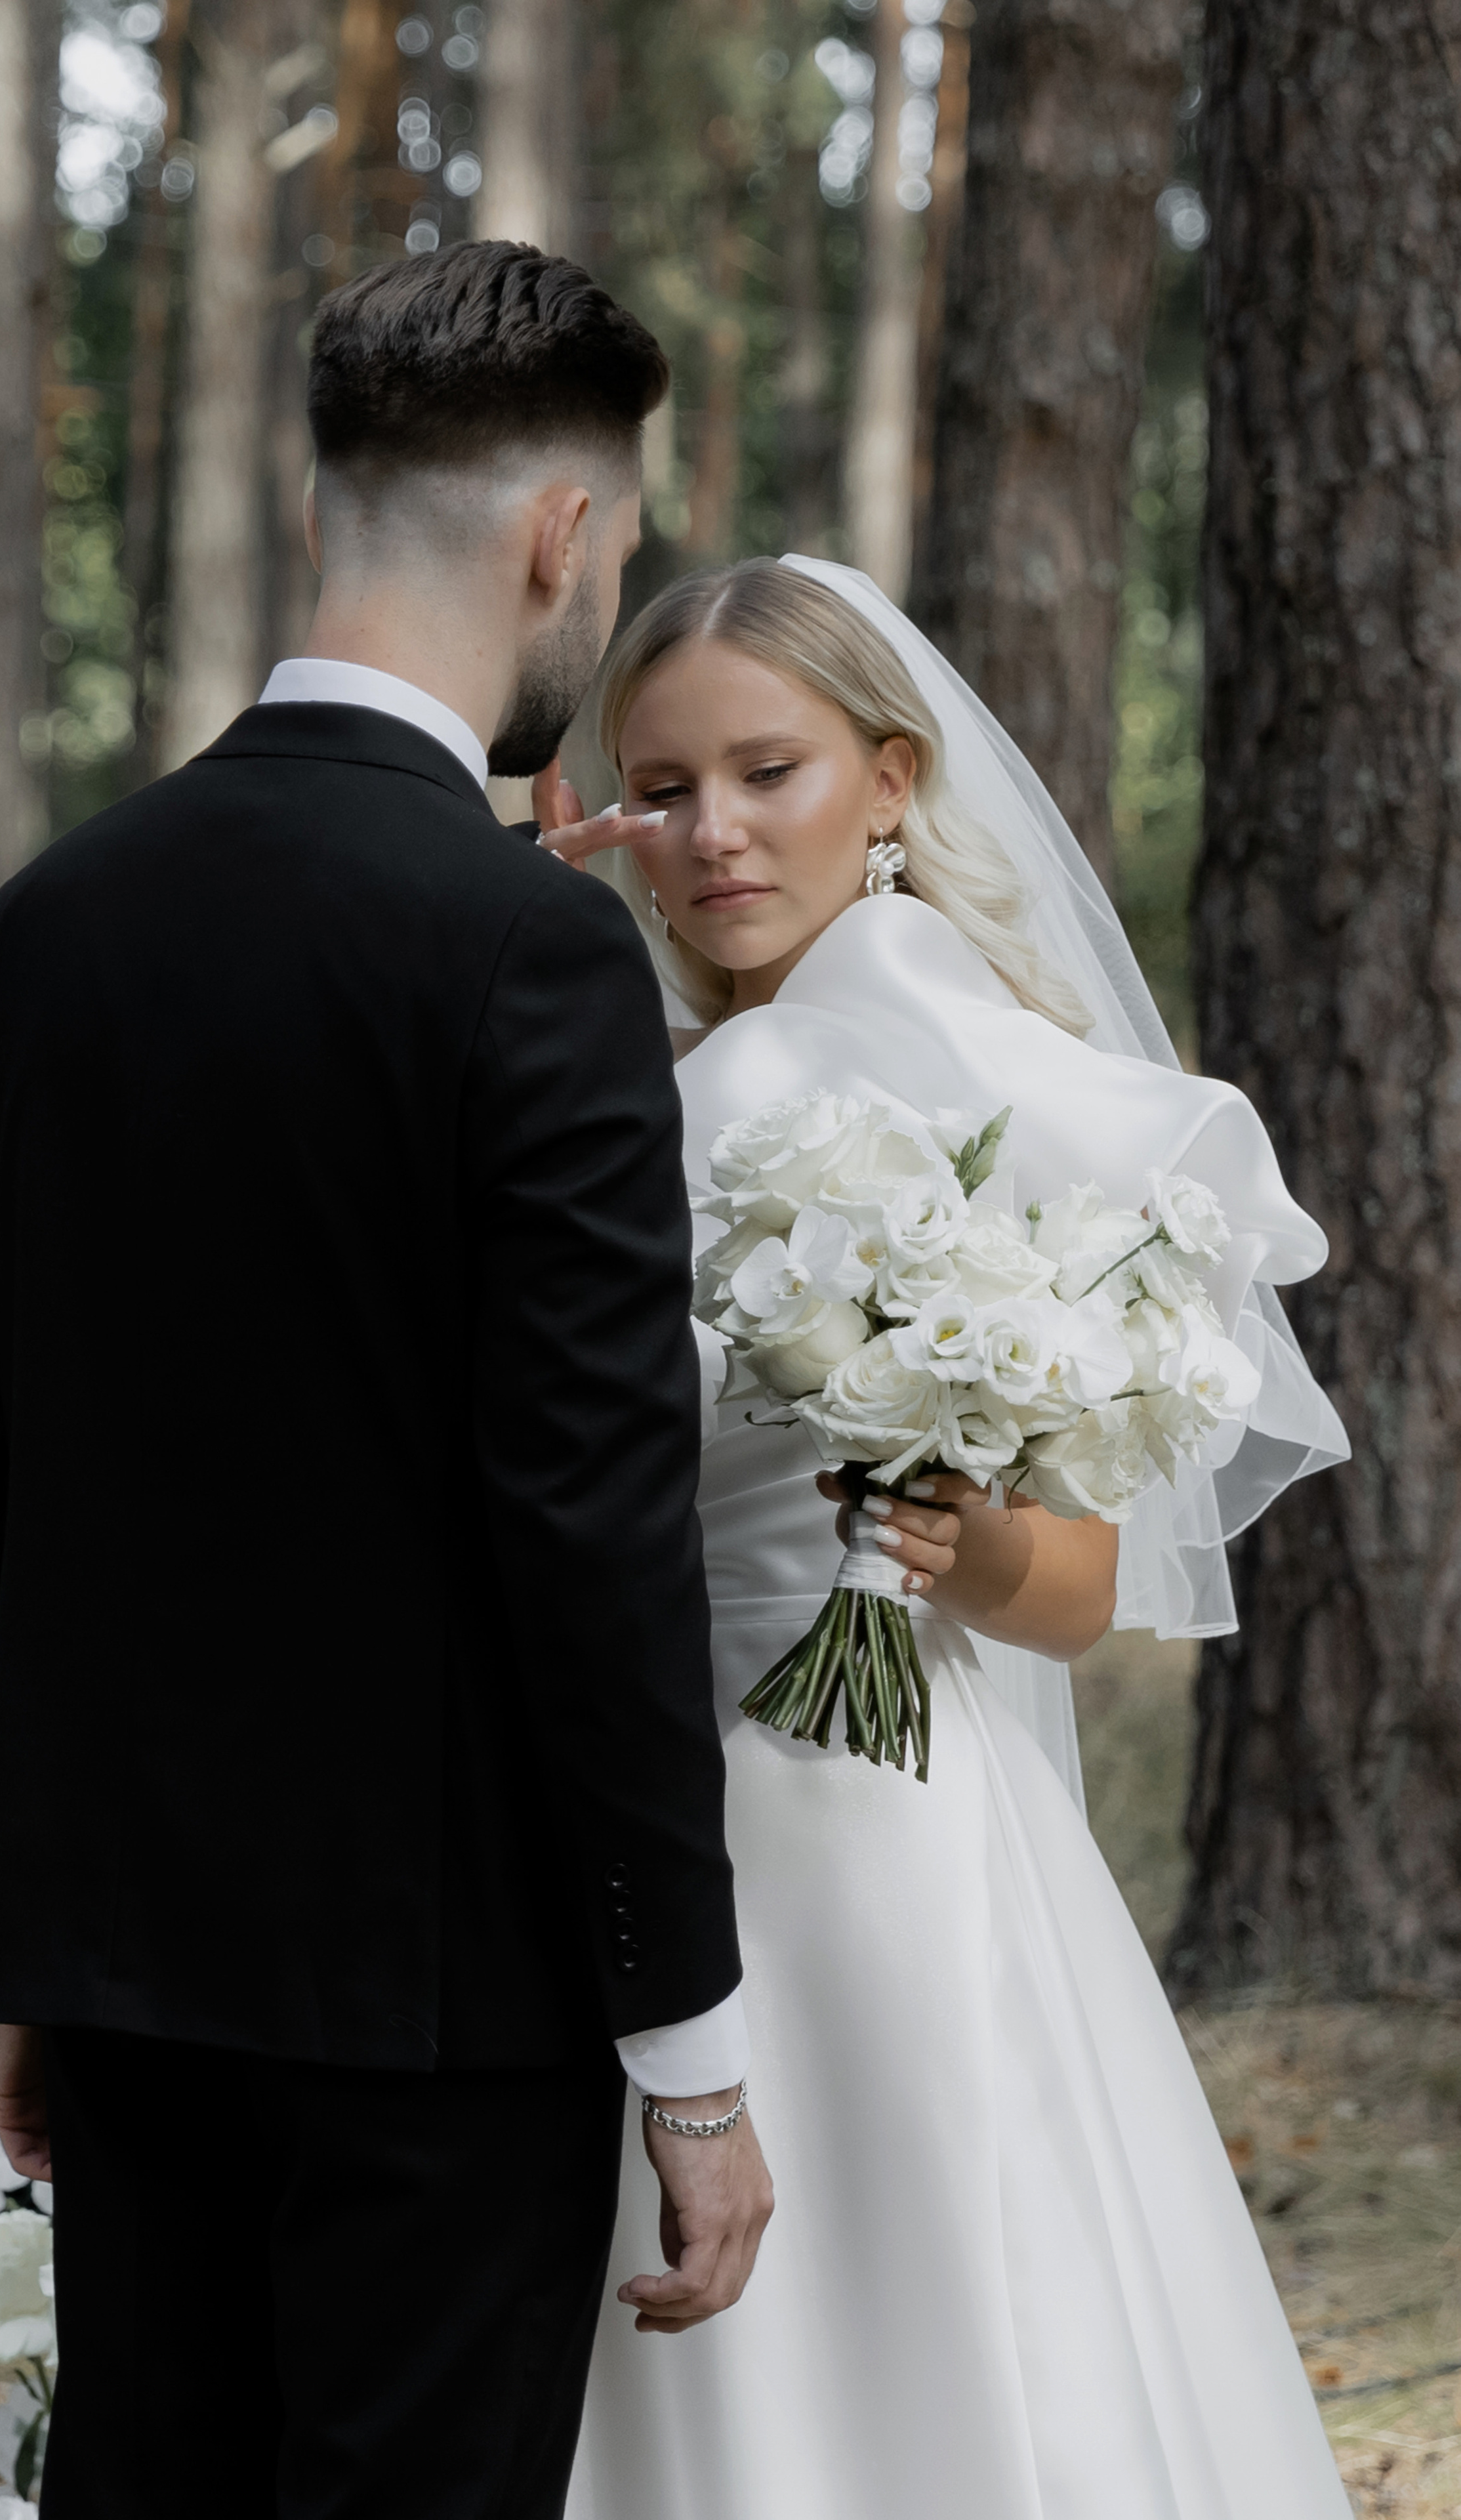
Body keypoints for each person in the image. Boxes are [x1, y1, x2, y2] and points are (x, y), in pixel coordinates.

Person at [0, 243, 773, 2519]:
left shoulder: (45, 925)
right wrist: (688, 2052)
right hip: (443, 2012)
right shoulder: (526, 951)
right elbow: (593, 1528)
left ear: (325, 509)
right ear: (563, 540)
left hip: (119, 1971)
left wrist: (15, 1944)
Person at [532, 556, 1354, 2520]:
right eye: (659, 788)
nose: (710, 832)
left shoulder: (1030, 1101)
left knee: (974, 2313)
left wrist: (946, 1518)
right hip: (659, 1828)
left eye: (768, 771)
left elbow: (1074, 1596)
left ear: (893, 782)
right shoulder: (629, 1102)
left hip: (915, 1816)